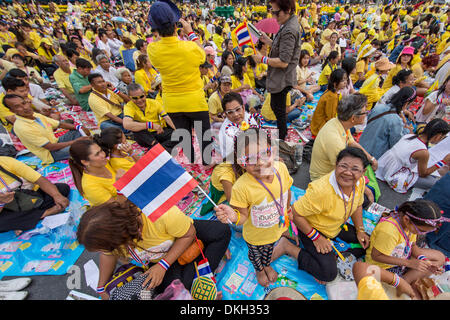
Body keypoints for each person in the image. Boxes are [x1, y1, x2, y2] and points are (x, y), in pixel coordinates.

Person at [77, 199, 230, 299]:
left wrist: (163, 265)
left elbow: (189, 235)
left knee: (221, 231)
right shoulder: (113, 240)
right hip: (158, 263)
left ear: (120, 235)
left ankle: (198, 263)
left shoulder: (161, 215)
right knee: (179, 287)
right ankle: (198, 269)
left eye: (108, 247)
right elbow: (108, 255)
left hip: (181, 239)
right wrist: (101, 288)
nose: (107, 251)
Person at [215, 127, 298, 287]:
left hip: (276, 228)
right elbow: (243, 216)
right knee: (255, 255)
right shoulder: (241, 187)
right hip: (255, 236)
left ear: (273, 151)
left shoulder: (281, 169)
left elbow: (286, 190)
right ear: (242, 162)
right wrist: (233, 216)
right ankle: (259, 270)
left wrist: (288, 210)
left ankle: (266, 265)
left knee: (268, 252)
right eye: (251, 158)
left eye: (264, 153)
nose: (260, 162)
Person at [290, 147, 371, 283]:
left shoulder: (360, 182)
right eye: (343, 166)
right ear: (335, 166)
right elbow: (295, 213)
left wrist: (360, 230)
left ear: (363, 172)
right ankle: (289, 247)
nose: (347, 173)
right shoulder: (320, 191)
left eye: (355, 169)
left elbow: (357, 205)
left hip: (336, 226)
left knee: (367, 242)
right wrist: (316, 238)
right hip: (312, 229)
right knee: (328, 274)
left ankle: (330, 255)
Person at [147, 2, 211, 165]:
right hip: (195, 100)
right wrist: (191, 32)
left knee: (184, 135)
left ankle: (190, 161)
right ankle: (206, 163)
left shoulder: (152, 49)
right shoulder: (190, 47)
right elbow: (203, 56)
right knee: (204, 137)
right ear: (176, 25)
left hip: (172, 103)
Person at [365, 200, 446, 295]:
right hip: (384, 267)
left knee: (440, 257)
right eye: (421, 230)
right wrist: (409, 263)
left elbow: (413, 245)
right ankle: (403, 282)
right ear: (406, 219)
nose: (422, 234)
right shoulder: (389, 232)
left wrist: (424, 260)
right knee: (408, 291)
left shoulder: (409, 226)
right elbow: (376, 256)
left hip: (402, 256)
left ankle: (404, 281)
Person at [253, 0, 301, 141]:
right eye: (272, 11)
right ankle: (282, 135)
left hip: (282, 78)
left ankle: (281, 139)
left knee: (279, 111)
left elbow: (284, 61)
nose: (274, 15)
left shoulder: (289, 30)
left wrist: (262, 59)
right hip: (280, 77)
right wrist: (268, 40)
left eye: (276, 12)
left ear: (288, 10)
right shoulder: (287, 24)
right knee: (276, 107)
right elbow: (282, 48)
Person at [3, 94, 90, 164]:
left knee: (78, 132)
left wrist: (79, 127)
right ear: (12, 110)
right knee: (84, 147)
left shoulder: (35, 115)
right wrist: (76, 141)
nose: (25, 107)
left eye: (24, 103)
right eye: (17, 106)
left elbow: (59, 124)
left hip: (56, 142)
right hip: (51, 154)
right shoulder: (22, 127)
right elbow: (50, 147)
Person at [310, 93, 378, 182]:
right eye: (365, 112)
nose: (366, 114)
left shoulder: (340, 123)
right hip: (321, 179)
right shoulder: (334, 140)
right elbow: (342, 172)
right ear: (353, 118)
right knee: (366, 189)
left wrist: (371, 159)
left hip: (335, 169)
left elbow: (352, 142)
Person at [376, 119, 450, 193]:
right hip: (394, 173)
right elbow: (423, 174)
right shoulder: (423, 152)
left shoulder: (409, 135)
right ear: (438, 136)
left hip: (384, 165)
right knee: (433, 182)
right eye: (442, 137)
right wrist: (443, 162)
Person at [0, 156, 70, 234]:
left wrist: (57, 196)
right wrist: (2, 203)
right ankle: (45, 213)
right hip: (7, 210)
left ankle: (23, 221)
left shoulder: (5, 162)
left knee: (62, 188)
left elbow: (39, 179)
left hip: (28, 198)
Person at [359, 87, 417, 160]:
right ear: (406, 104)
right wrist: (407, 131)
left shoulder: (379, 107)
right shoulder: (396, 120)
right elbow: (395, 143)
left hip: (362, 145)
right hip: (373, 155)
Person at [122, 83, 177, 153]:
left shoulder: (154, 103)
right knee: (137, 129)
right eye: (135, 98)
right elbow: (126, 125)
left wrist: (177, 130)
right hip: (145, 136)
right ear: (130, 98)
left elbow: (167, 118)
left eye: (141, 96)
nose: (139, 100)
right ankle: (160, 148)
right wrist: (150, 125)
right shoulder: (129, 106)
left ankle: (156, 149)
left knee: (179, 135)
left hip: (159, 132)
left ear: (145, 94)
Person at [69, 138, 121, 207]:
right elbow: (117, 207)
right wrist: (120, 186)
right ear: (85, 162)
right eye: (97, 154)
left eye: (101, 150)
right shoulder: (90, 186)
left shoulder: (104, 164)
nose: (103, 155)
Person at [217, 92, 259, 161]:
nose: (236, 114)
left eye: (238, 109)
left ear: (243, 107)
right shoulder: (226, 131)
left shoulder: (248, 117)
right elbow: (232, 157)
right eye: (230, 112)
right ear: (226, 115)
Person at [310, 68, 347, 138]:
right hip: (319, 128)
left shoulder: (331, 91)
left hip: (319, 123)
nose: (345, 82)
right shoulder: (332, 97)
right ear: (335, 83)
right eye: (342, 80)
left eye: (345, 79)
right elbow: (330, 118)